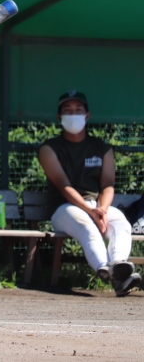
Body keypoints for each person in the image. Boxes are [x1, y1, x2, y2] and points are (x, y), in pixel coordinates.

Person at [38, 90, 141, 297]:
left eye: (78, 110)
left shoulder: (102, 148)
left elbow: (108, 185)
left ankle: (118, 266)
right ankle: (106, 269)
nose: (73, 114)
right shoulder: (49, 148)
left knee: (121, 223)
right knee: (87, 227)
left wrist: (101, 209)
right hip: (64, 209)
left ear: (87, 115)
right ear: (59, 116)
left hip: (97, 206)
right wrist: (90, 211)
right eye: (67, 110)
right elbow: (64, 186)